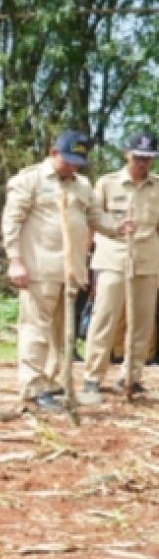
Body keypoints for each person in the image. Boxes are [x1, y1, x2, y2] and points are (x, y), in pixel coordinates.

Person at [2, 131, 129, 413]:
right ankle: (34, 388)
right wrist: (15, 260)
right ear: (53, 153)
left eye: (78, 162)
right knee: (36, 329)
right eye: (68, 161)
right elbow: (11, 222)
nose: (72, 167)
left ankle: (51, 383)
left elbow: (96, 216)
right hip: (39, 269)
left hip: (71, 271)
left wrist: (117, 228)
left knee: (61, 333)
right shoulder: (30, 180)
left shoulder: (82, 185)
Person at [82, 131, 159, 397]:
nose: (142, 163)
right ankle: (92, 377)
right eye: (138, 157)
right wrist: (84, 259)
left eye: (148, 159)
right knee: (104, 319)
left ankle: (131, 377)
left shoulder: (157, 186)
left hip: (148, 263)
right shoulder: (107, 184)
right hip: (112, 260)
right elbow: (91, 222)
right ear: (126, 153)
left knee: (142, 323)